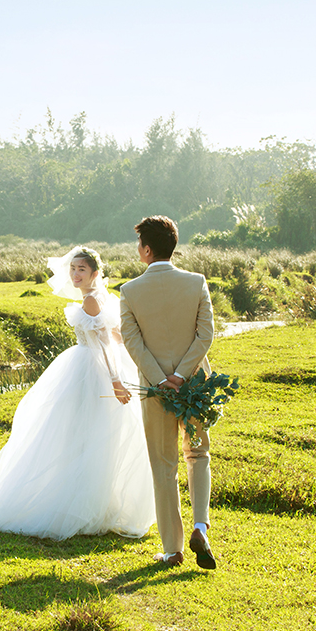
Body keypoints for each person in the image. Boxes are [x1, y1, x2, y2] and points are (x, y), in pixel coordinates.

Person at [0, 246, 156, 541]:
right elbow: (115, 334)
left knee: (89, 435)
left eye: (81, 270)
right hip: (88, 366)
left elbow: (106, 344)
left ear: (95, 273)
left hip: (94, 370)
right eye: (73, 269)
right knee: (85, 434)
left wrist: (115, 380)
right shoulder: (100, 297)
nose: (75, 275)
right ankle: (91, 502)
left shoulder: (92, 302)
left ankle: (90, 505)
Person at [119, 216, 217, 569]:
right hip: (194, 384)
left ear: (146, 249)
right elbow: (205, 335)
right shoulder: (196, 282)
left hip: (154, 388)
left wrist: (161, 378)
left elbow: (133, 343)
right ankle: (200, 525)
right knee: (199, 454)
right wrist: (181, 374)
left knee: (164, 467)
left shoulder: (129, 291)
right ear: (172, 245)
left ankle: (173, 550)